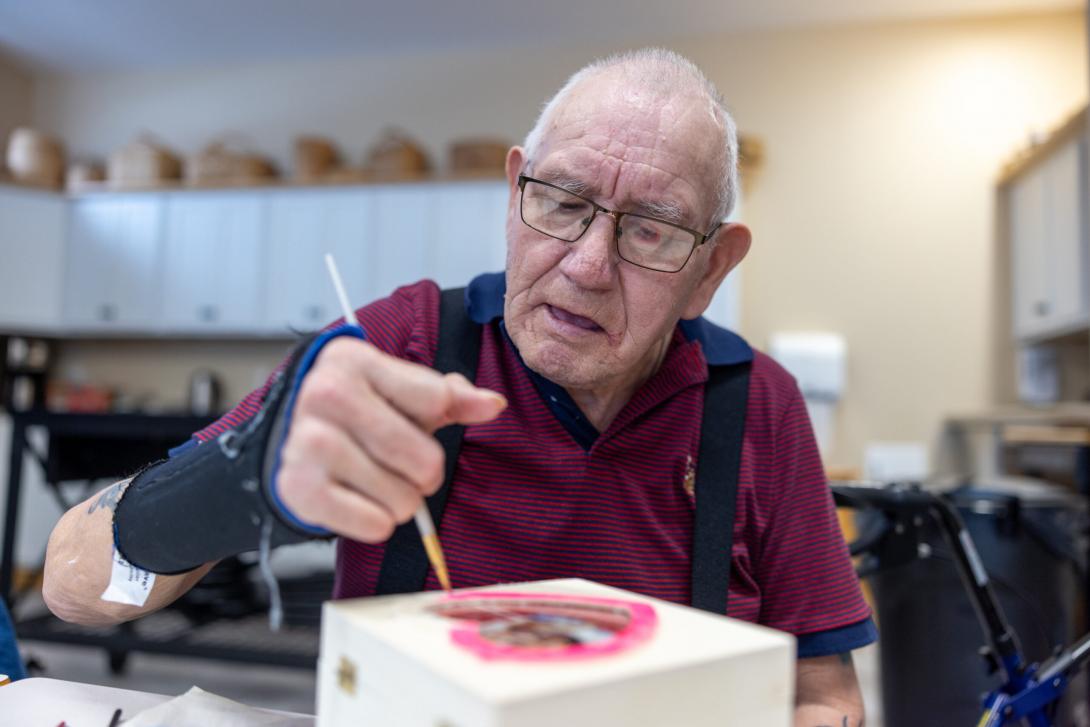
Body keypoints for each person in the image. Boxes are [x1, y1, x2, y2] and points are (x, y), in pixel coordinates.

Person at [42, 48, 874, 724]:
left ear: (711, 269)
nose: (586, 267)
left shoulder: (755, 403)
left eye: (651, 231)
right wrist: (247, 476)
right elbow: (70, 583)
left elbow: (826, 693)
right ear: (514, 194)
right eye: (562, 201)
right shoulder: (397, 344)